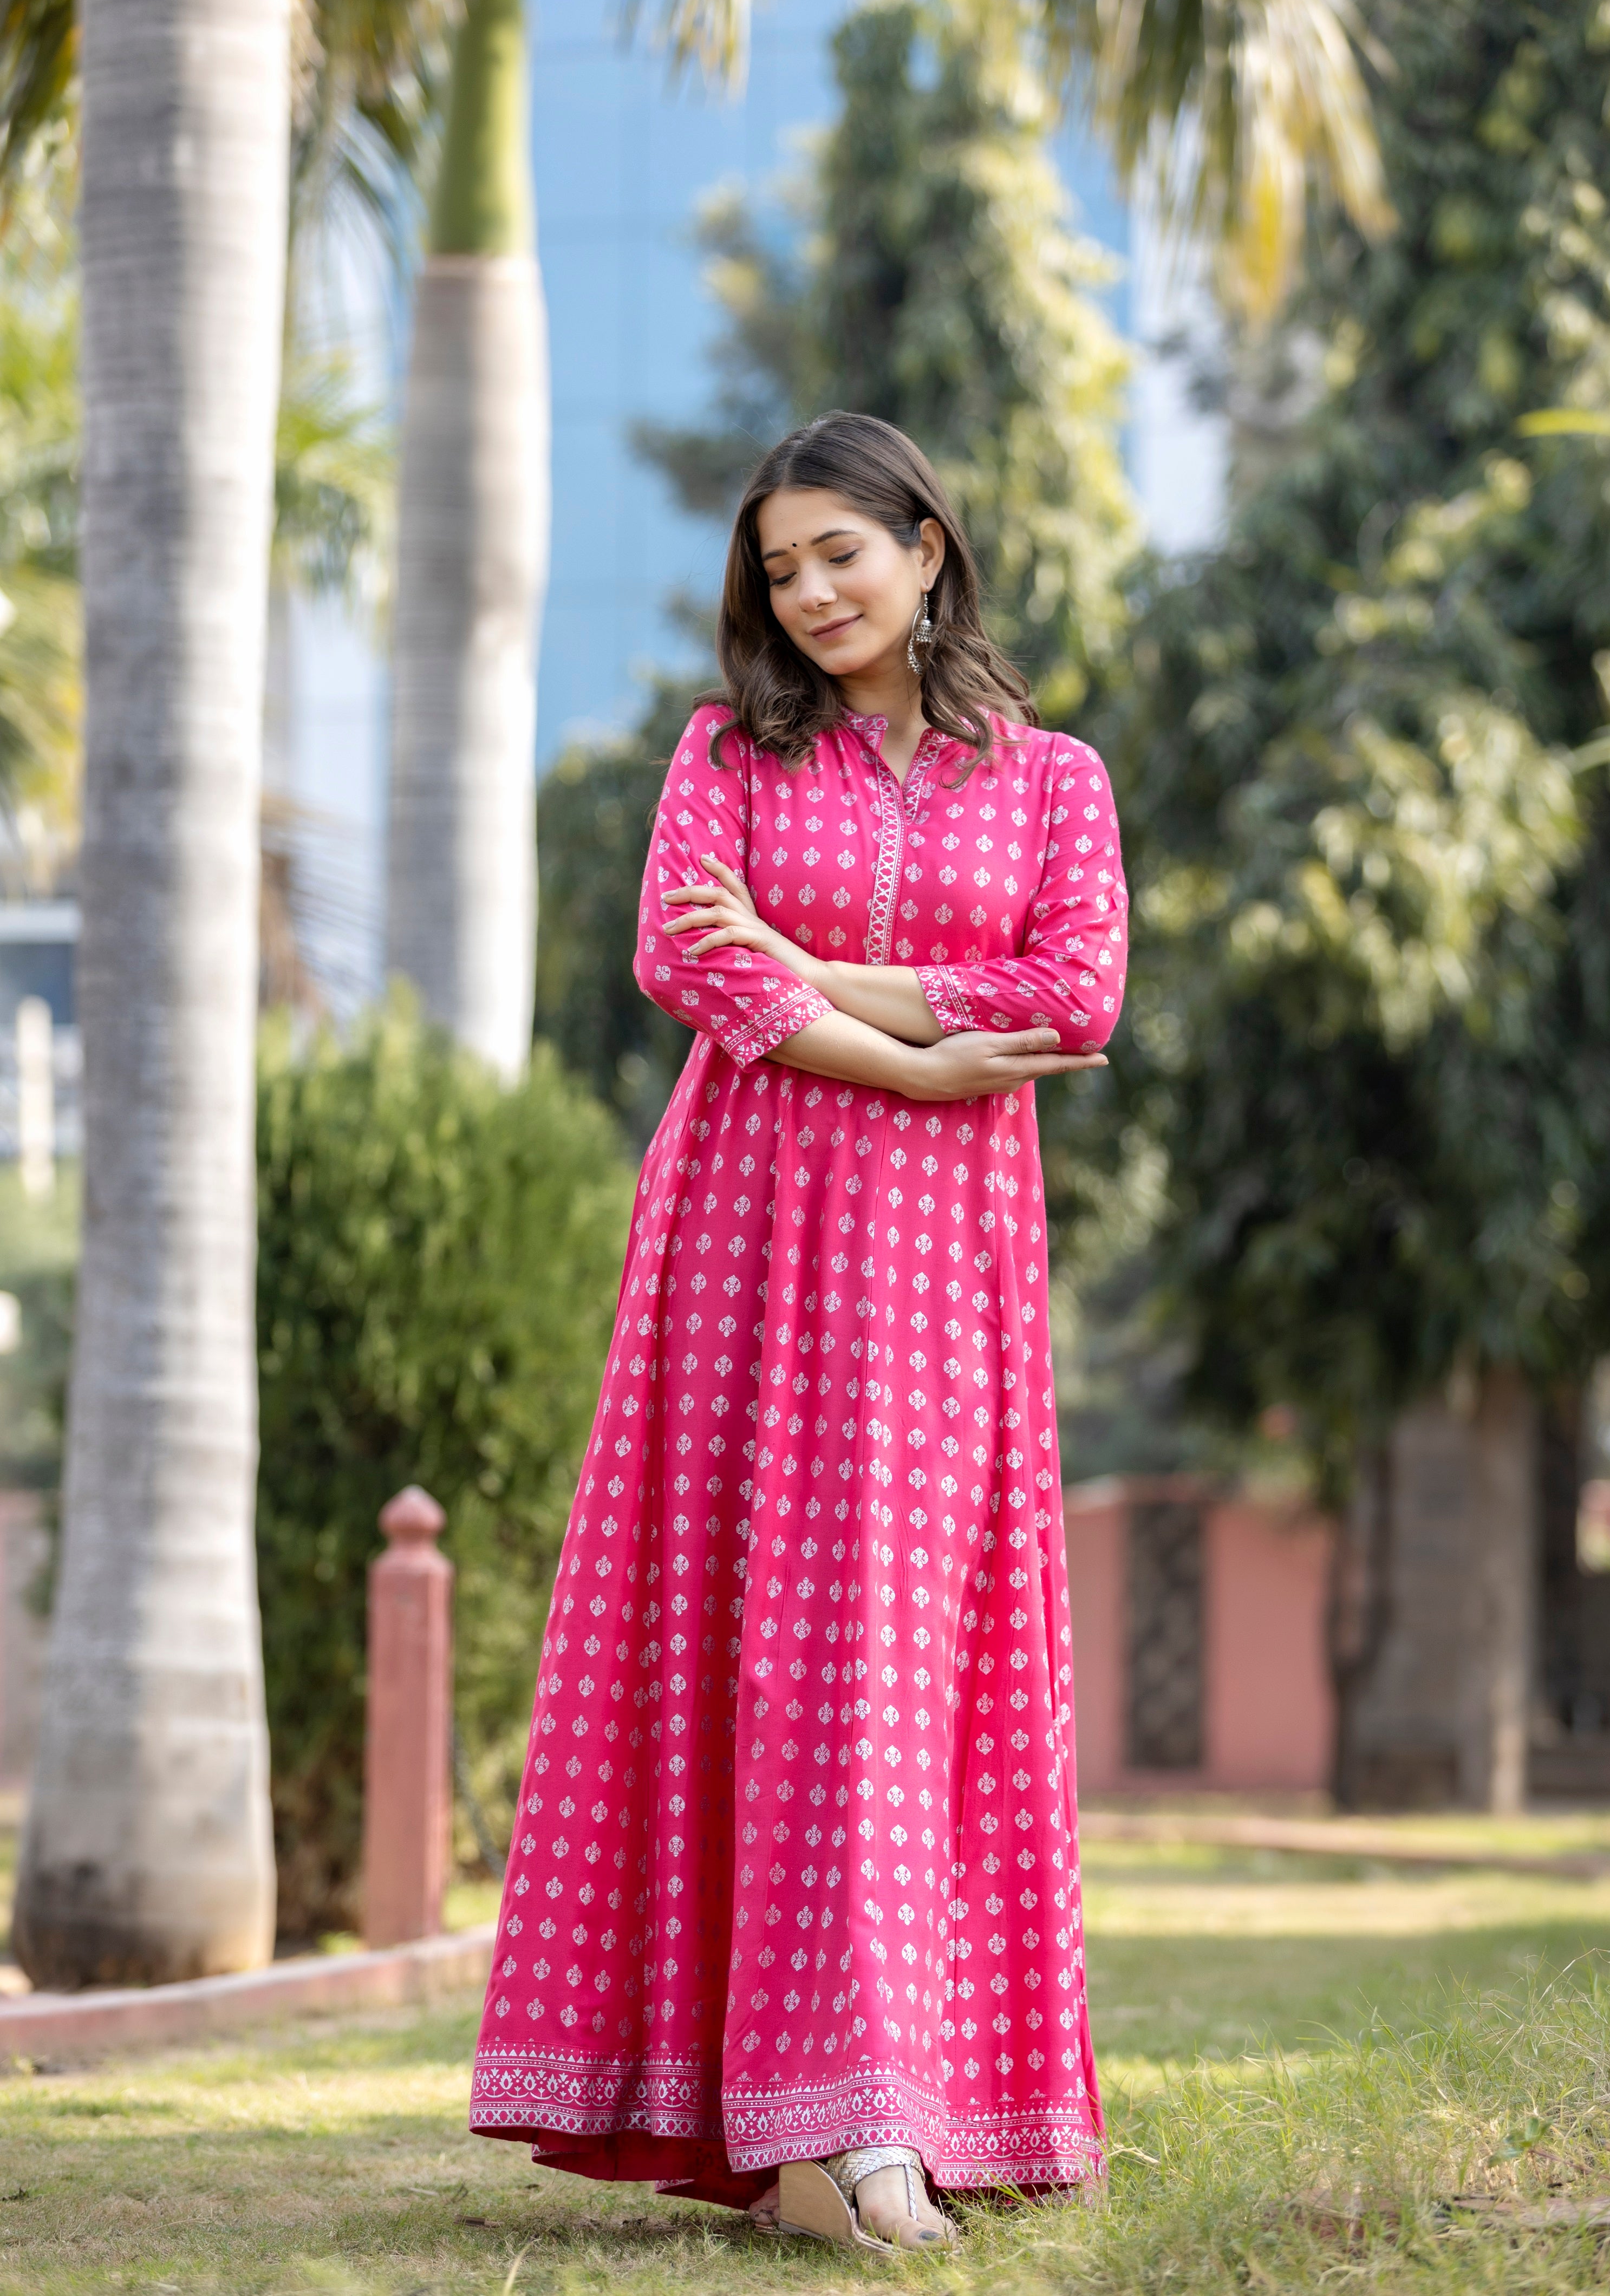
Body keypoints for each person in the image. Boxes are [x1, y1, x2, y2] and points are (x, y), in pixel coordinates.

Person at [470, 412, 1127, 2252]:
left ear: (929, 546)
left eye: (841, 550)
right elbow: (692, 957)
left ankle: (898, 2106)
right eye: (779, 567)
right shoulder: (727, 752)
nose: (812, 590)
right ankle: (822, 2130)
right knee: (768, 1648)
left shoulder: (1056, 779)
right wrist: (920, 1051)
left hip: (945, 1282)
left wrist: (821, 968)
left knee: (910, 1665)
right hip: (749, 1248)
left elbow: (1074, 995)